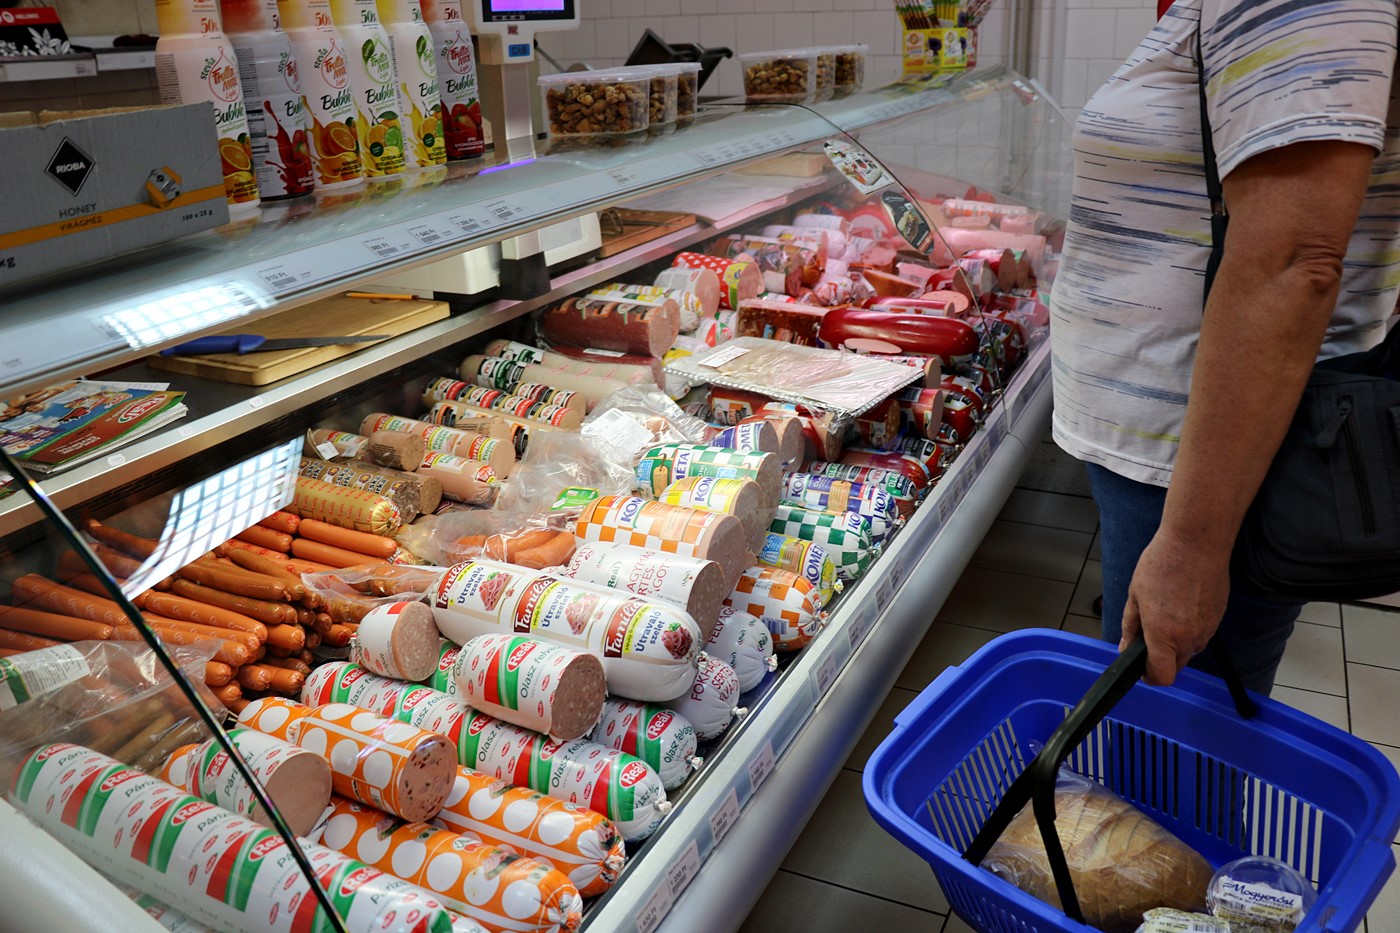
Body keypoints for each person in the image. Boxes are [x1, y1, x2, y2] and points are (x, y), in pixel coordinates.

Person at [1050, 0, 1400, 694]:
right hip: (1172, 458)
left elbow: (1293, 262)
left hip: (1196, 468)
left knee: (1165, 742)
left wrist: (1192, 547)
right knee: (1164, 735)